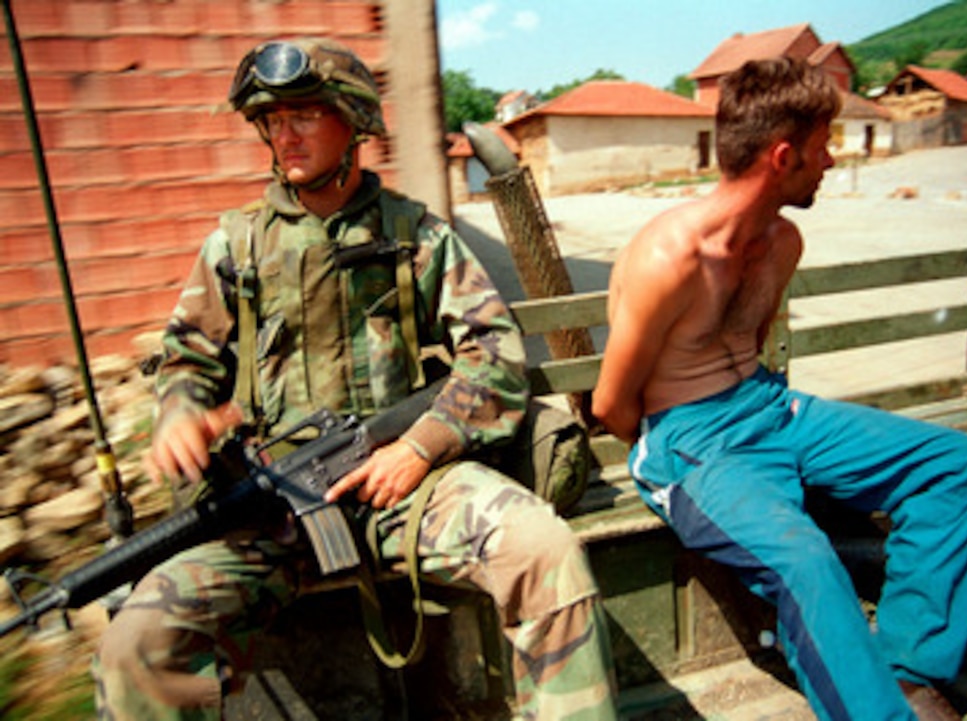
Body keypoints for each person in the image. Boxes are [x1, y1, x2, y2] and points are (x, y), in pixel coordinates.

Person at [94, 38, 617, 720]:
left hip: (407, 486)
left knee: (545, 553)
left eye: (304, 115)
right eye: (272, 121)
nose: (284, 135)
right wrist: (178, 412)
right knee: (137, 643)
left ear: (354, 122)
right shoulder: (236, 247)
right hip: (274, 505)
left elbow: (493, 353)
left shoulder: (415, 235)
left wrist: (421, 445)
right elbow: (187, 357)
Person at [593, 57, 967, 721]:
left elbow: (749, 345)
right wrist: (698, 461)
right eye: (821, 146)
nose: (831, 160)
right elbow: (612, 403)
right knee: (804, 558)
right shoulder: (670, 256)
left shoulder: (784, 242)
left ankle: (906, 670)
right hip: (690, 440)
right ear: (783, 156)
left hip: (772, 406)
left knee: (958, 466)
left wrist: (763, 427)